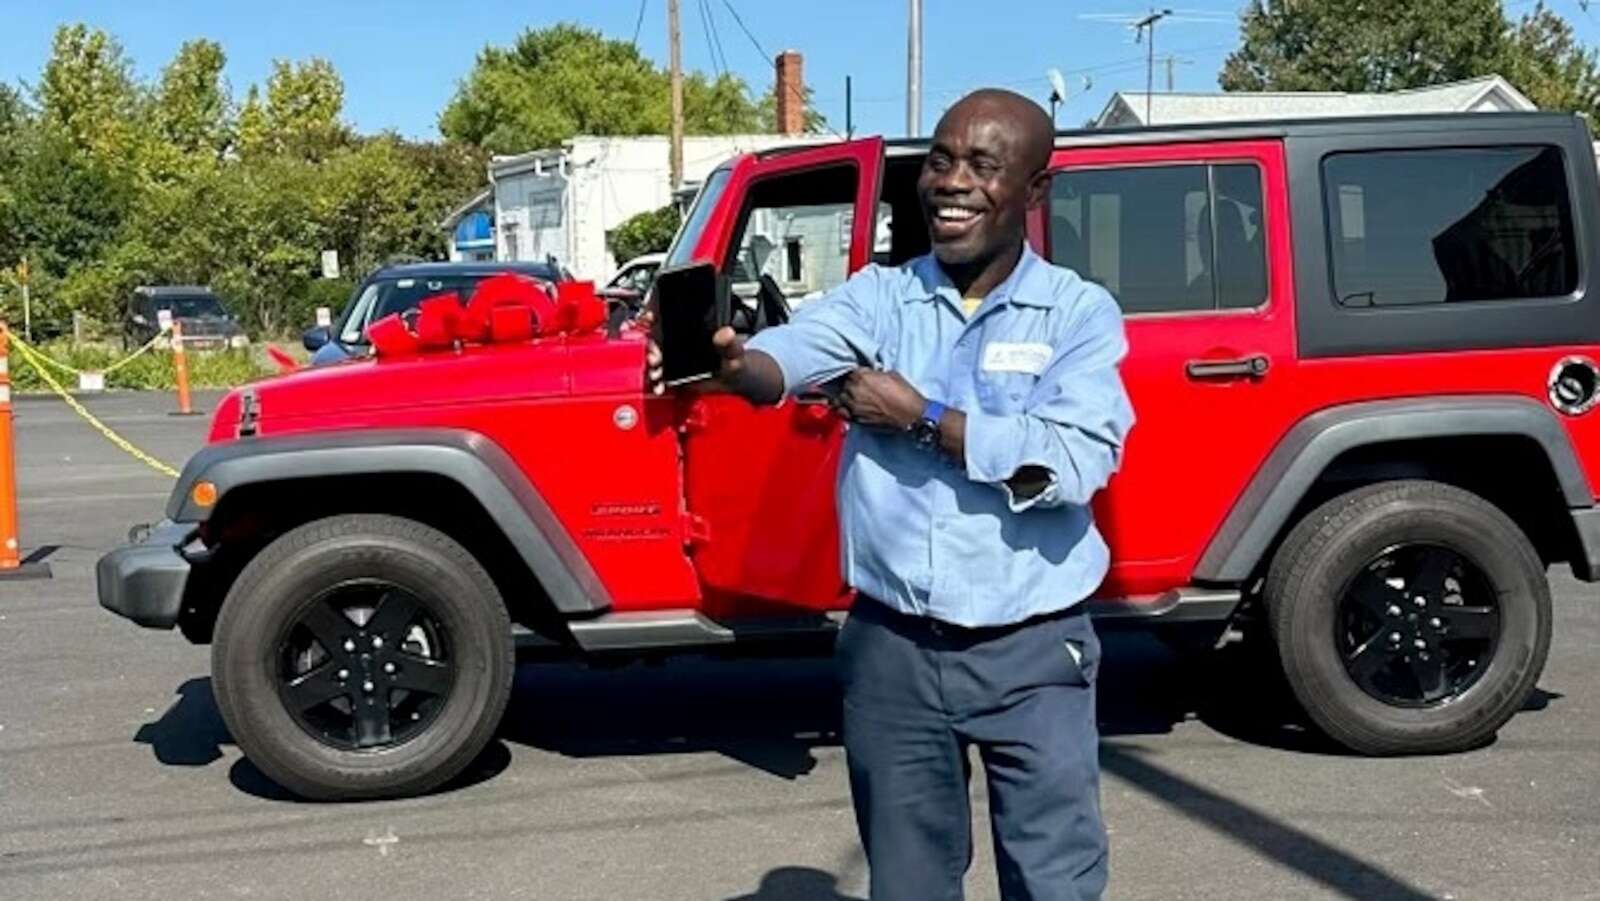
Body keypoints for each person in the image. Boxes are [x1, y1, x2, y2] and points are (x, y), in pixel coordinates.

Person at [647, 89, 1133, 901]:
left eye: (984, 165)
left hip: (1035, 650)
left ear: (1035, 191)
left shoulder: (1078, 314)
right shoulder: (880, 297)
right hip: (894, 653)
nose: (953, 182)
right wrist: (733, 369)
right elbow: (789, 357)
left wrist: (926, 419)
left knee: (1055, 881)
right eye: (942, 160)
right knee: (909, 884)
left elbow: (1074, 459)